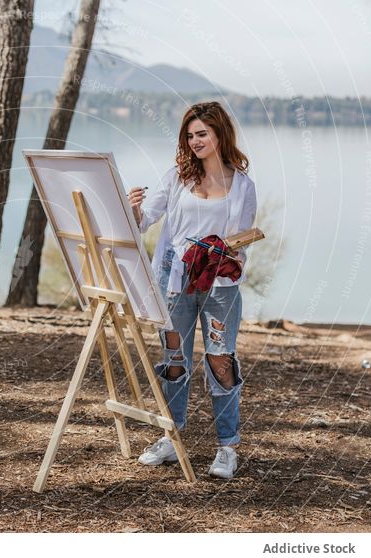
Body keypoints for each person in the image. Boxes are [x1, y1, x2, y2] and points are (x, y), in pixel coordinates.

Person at [127, 101, 257, 479]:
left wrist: (221, 251)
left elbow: (242, 242)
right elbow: (145, 221)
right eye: (190, 135)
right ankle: (171, 437)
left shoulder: (243, 186)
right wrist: (134, 209)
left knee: (221, 360)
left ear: (219, 135)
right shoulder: (177, 178)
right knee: (173, 361)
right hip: (174, 284)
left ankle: (227, 447)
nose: (195, 141)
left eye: (202, 134)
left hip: (220, 288)